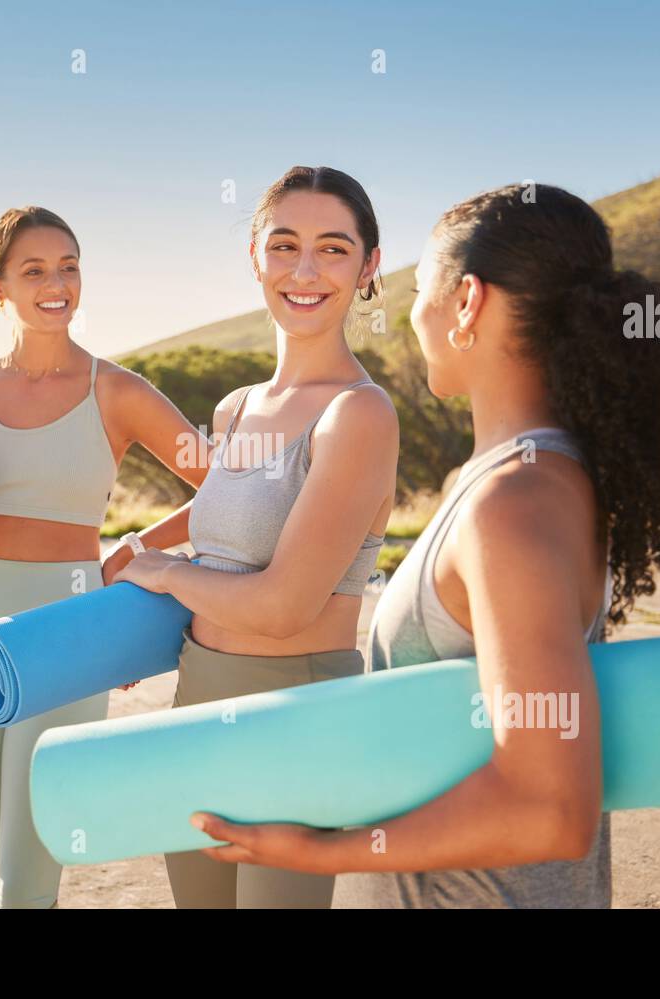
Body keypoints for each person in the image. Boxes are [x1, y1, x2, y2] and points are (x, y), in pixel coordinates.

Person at [169, 183, 660, 908]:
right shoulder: (537, 477)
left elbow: (552, 807)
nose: (413, 314)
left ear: (468, 302)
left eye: (422, 287)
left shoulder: (514, 503)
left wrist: (326, 848)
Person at [0, 206, 208, 908]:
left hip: (69, 636)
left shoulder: (117, 391)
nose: (56, 283)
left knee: (28, 867)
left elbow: (229, 490)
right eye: (34, 270)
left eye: (69, 266)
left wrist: (142, 548)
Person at [114, 166, 400, 908]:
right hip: (197, 697)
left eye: (333, 249)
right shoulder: (237, 407)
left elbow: (283, 605)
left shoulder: (358, 415)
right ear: (255, 257)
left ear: (370, 265)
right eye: (285, 245)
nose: (304, 271)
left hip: (297, 717)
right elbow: (226, 504)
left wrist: (163, 573)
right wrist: (134, 551)